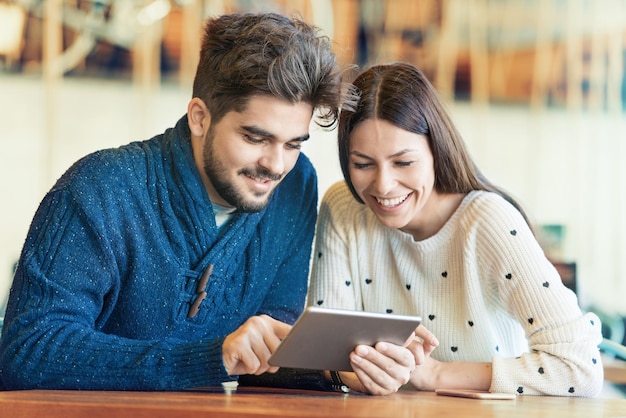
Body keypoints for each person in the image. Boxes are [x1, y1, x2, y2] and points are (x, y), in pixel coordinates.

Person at [0, 12, 348, 391]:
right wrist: (212, 358)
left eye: (293, 143)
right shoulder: (99, 189)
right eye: (255, 138)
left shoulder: (297, 183)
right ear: (200, 117)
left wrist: (338, 367)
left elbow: (269, 346)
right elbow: (28, 352)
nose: (276, 165)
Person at [307, 62, 604, 397]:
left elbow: (581, 369)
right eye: (362, 164)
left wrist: (434, 375)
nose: (384, 185)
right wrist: (366, 375)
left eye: (403, 162)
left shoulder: (487, 221)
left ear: (437, 150)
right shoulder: (343, 207)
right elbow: (323, 354)